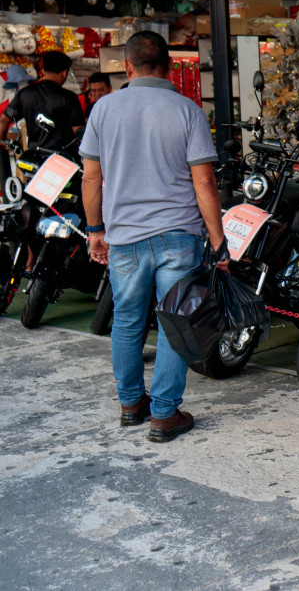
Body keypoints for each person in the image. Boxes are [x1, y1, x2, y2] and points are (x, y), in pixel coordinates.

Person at [80, 31, 230, 444]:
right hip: (178, 237)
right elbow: (204, 183)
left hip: (125, 237)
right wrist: (219, 242)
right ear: (168, 67)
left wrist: (96, 232)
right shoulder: (187, 110)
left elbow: (91, 177)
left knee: (126, 321)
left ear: (126, 67)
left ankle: (131, 404)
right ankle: (164, 414)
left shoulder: (103, 109)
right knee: (173, 321)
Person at [0, 51, 84, 153]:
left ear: (43, 70)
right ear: (64, 73)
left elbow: (4, 119)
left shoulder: (25, 94)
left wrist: (2, 141)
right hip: (63, 160)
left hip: (35, 158)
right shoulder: (69, 97)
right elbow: (78, 131)